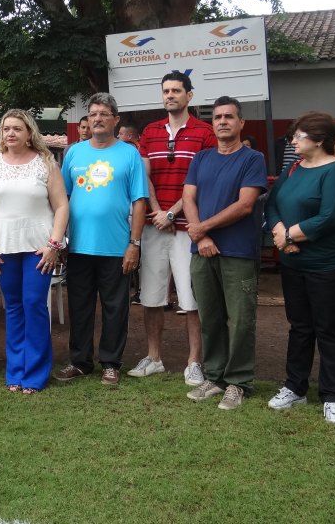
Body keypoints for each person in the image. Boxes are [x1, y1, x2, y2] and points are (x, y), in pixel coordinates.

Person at [265, 112, 335, 425]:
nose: (293, 141)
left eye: (299, 135)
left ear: (319, 140)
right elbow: (272, 203)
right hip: (294, 263)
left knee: (330, 330)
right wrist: (280, 232)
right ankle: (295, 386)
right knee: (300, 326)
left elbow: (331, 216)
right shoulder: (293, 168)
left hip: (330, 265)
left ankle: (332, 396)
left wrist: (289, 235)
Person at [55, 92, 148, 386]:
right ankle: (80, 361)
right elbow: (61, 198)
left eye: (104, 114)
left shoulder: (129, 154)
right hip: (78, 246)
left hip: (116, 247)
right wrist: (60, 240)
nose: (97, 119)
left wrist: (134, 244)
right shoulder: (74, 153)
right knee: (79, 306)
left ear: (115, 120)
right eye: (93, 113)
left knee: (115, 308)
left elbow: (140, 201)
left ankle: (111, 363)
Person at [130, 70, 216, 386]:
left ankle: (194, 362)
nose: (170, 95)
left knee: (191, 298)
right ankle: (154, 358)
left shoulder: (205, 133)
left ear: (189, 95)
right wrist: (157, 211)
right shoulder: (150, 131)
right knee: (151, 296)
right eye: (166, 91)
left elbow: (202, 179)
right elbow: (144, 176)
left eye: (176, 91)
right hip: (155, 225)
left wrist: (172, 213)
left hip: (186, 228)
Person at [0, 110, 69, 393]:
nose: (10, 133)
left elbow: (61, 206)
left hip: (39, 249)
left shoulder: (45, 162)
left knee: (34, 304)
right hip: (4, 247)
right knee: (14, 307)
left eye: (17, 128)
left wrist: (54, 244)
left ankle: (35, 373)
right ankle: (15, 371)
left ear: (29, 133)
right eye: (6, 129)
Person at [182, 96, 267, 411]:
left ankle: (238, 382)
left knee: (241, 320)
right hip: (202, 251)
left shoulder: (252, 159)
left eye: (229, 116)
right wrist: (201, 235)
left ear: (241, 123)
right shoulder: (201, 158)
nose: (222, 122)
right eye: (217, 117)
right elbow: (188, 197)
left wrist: (201, 228)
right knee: (210, 317)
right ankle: (215, 376)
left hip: (238, 251)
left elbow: (245, 205)